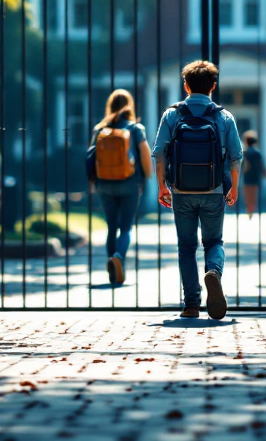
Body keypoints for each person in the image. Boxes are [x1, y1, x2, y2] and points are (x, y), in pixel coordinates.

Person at [153, 61, 242, 319]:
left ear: (186, 85)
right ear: (213, 86)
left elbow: (159, 153)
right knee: (214, 241)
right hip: (214, 190)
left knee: (186, 246)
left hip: (181, 191)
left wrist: (161, 185)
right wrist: (234, 187)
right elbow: (235, 156)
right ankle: (213, 272)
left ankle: (191, 304)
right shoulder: (224, 117)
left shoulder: (172, 115)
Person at [90, 89, 151, 286]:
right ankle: (118, 257)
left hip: (104, 185)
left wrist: (93, 181)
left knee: (111, 227)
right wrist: (145, 178)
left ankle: (112, 269)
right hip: (129, 183)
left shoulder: (100, 129)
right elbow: (144, 156)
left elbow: (91, 157)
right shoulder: (135, 128)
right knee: (125, 228)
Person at [241, 131, 266, 218]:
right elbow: (261, 164)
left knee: (247, 194)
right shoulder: (257, 153)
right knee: (254, 194)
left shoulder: (244, 153)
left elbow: (241, 165)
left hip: (247, 176)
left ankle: (249, 208)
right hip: (255, 177)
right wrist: (265, 172)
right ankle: (252, 208)